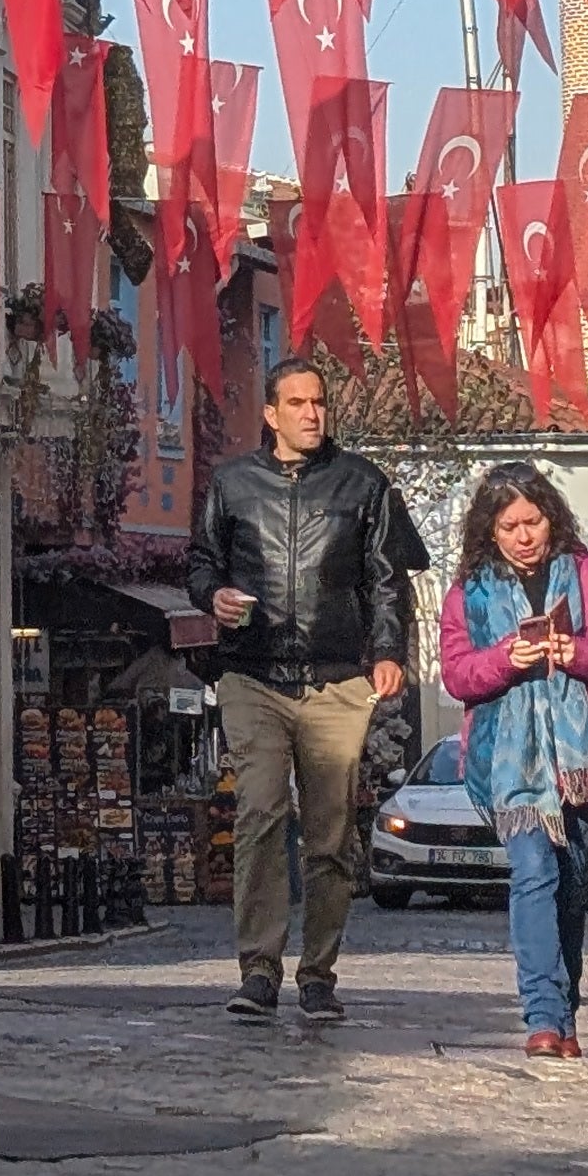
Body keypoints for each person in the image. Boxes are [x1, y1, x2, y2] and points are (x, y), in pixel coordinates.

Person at [183, 357, 412, 1024]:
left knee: (330, 833)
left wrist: (388, 651)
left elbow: (385, 579)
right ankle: (258, 971)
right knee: (258, 812)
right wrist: (212, 594)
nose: (312, 413)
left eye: (320, 402)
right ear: (271, 413)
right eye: (298, 403)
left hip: (336, 678)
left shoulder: (363, 484)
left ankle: (317, 974)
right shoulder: (233, 483)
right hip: (251, 674)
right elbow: (202, 561)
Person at [438, 463, 588, 1057]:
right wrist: (509, 657)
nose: (524, 535)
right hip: (508, 763)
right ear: (491, 531)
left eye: (533, 521)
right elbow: (457, 675)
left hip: (579, 756)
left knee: (572, 883)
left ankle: (566, 1009)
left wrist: (573, 651)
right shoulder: (468, 593)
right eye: (510, 526)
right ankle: (542, 1018)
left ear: (552, 519)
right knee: (535, 872)